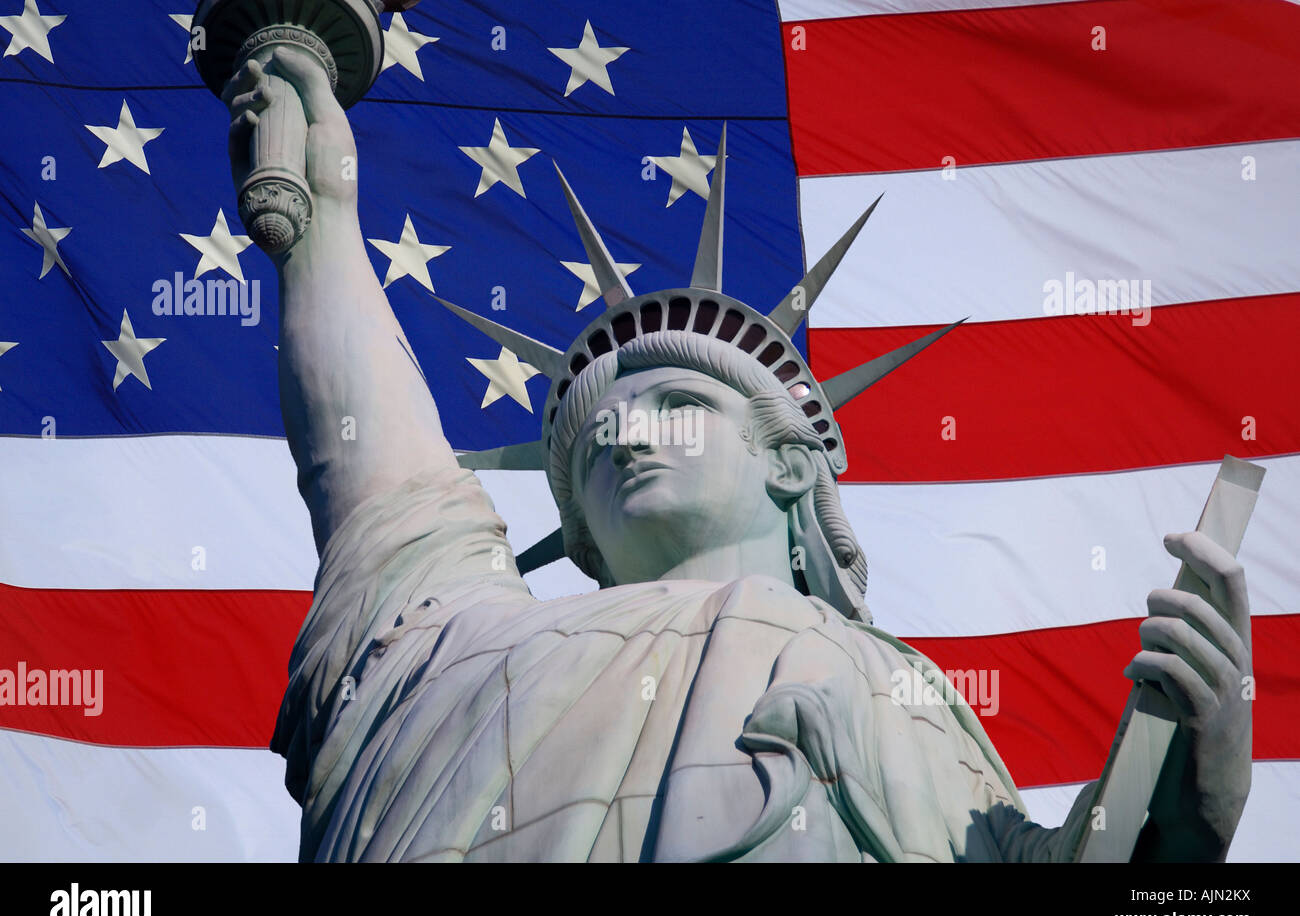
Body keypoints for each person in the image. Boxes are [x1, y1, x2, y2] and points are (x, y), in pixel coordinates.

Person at [223, 49, 1253, 862]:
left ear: (791, 463)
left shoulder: (908, 697)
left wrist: (1179, 803)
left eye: (673, 402)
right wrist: (326, 231)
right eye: (590, 442)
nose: (624, 434)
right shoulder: (467, 639)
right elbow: (381, 482)